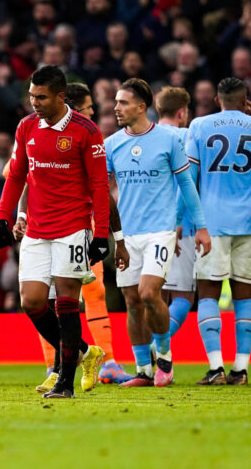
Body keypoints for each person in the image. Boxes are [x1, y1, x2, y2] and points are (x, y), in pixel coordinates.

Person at [0, 65, 111, 399]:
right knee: (31, 302)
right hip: (37, 229)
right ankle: (87, 353)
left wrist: (100, 234)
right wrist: (3, 217)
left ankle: (65, 382)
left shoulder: (86, 131)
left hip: (72, 228)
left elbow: (100, 185)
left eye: (41, 97)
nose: (34, 103)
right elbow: (16, 175)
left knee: (67, 302)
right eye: (31, 95)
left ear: (61, 96)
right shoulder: (26, 126)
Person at [16, 82, 133, 385]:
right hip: (45, 227)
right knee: (47, 299)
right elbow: (21, 174)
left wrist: (113, 238)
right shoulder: (37, 132)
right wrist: (21, 213)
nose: (94, 111)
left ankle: (74, 366)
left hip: (79, 230)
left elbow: (102, 193)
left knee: (77, 297)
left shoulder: (86, 136)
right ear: (72, 105)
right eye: (89, 106)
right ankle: (65, 363)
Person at [108, 79, 211, 388]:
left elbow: (187, 186)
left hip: (160, 232)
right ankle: (143, 371)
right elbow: (100, 190)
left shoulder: (168, 140)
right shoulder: (112, 144)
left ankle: (164, 357)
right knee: (131, 302)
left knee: (148, 293)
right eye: (116, 102)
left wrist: (202, 226)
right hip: (127, 235)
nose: (116, 108)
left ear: (142, 107)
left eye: (123, 103)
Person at [186, 77, 251, 385]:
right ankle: (240, 369)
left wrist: (188, 222)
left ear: (216, 99)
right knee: (244, 296)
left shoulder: (199, 125)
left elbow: (190, 176)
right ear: (245, 99)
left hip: (211, 223)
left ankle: (216, 368)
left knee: (209, 293)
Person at [156, 87, 198, 346]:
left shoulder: (146, 136)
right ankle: (157, 347)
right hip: (184, 226)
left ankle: (150, 359)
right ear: (182, 113)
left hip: (149, 227)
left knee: (154, 296)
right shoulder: (189, 137)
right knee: (183, 296)